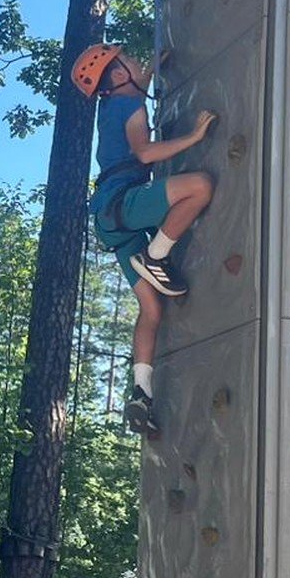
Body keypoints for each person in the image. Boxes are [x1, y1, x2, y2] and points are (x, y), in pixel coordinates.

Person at [69, 43, 216, 437]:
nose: (134, 62)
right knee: (200, 186)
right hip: (125, 202)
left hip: (109, 219)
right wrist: (194, 137)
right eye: (128, 61)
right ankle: (157, 255)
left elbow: (133, 87)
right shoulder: (130, 106)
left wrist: (150, 69)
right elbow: (146, 153)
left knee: (151, 309)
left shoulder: (112, 105)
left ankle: (141, 393)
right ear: (119, 76)